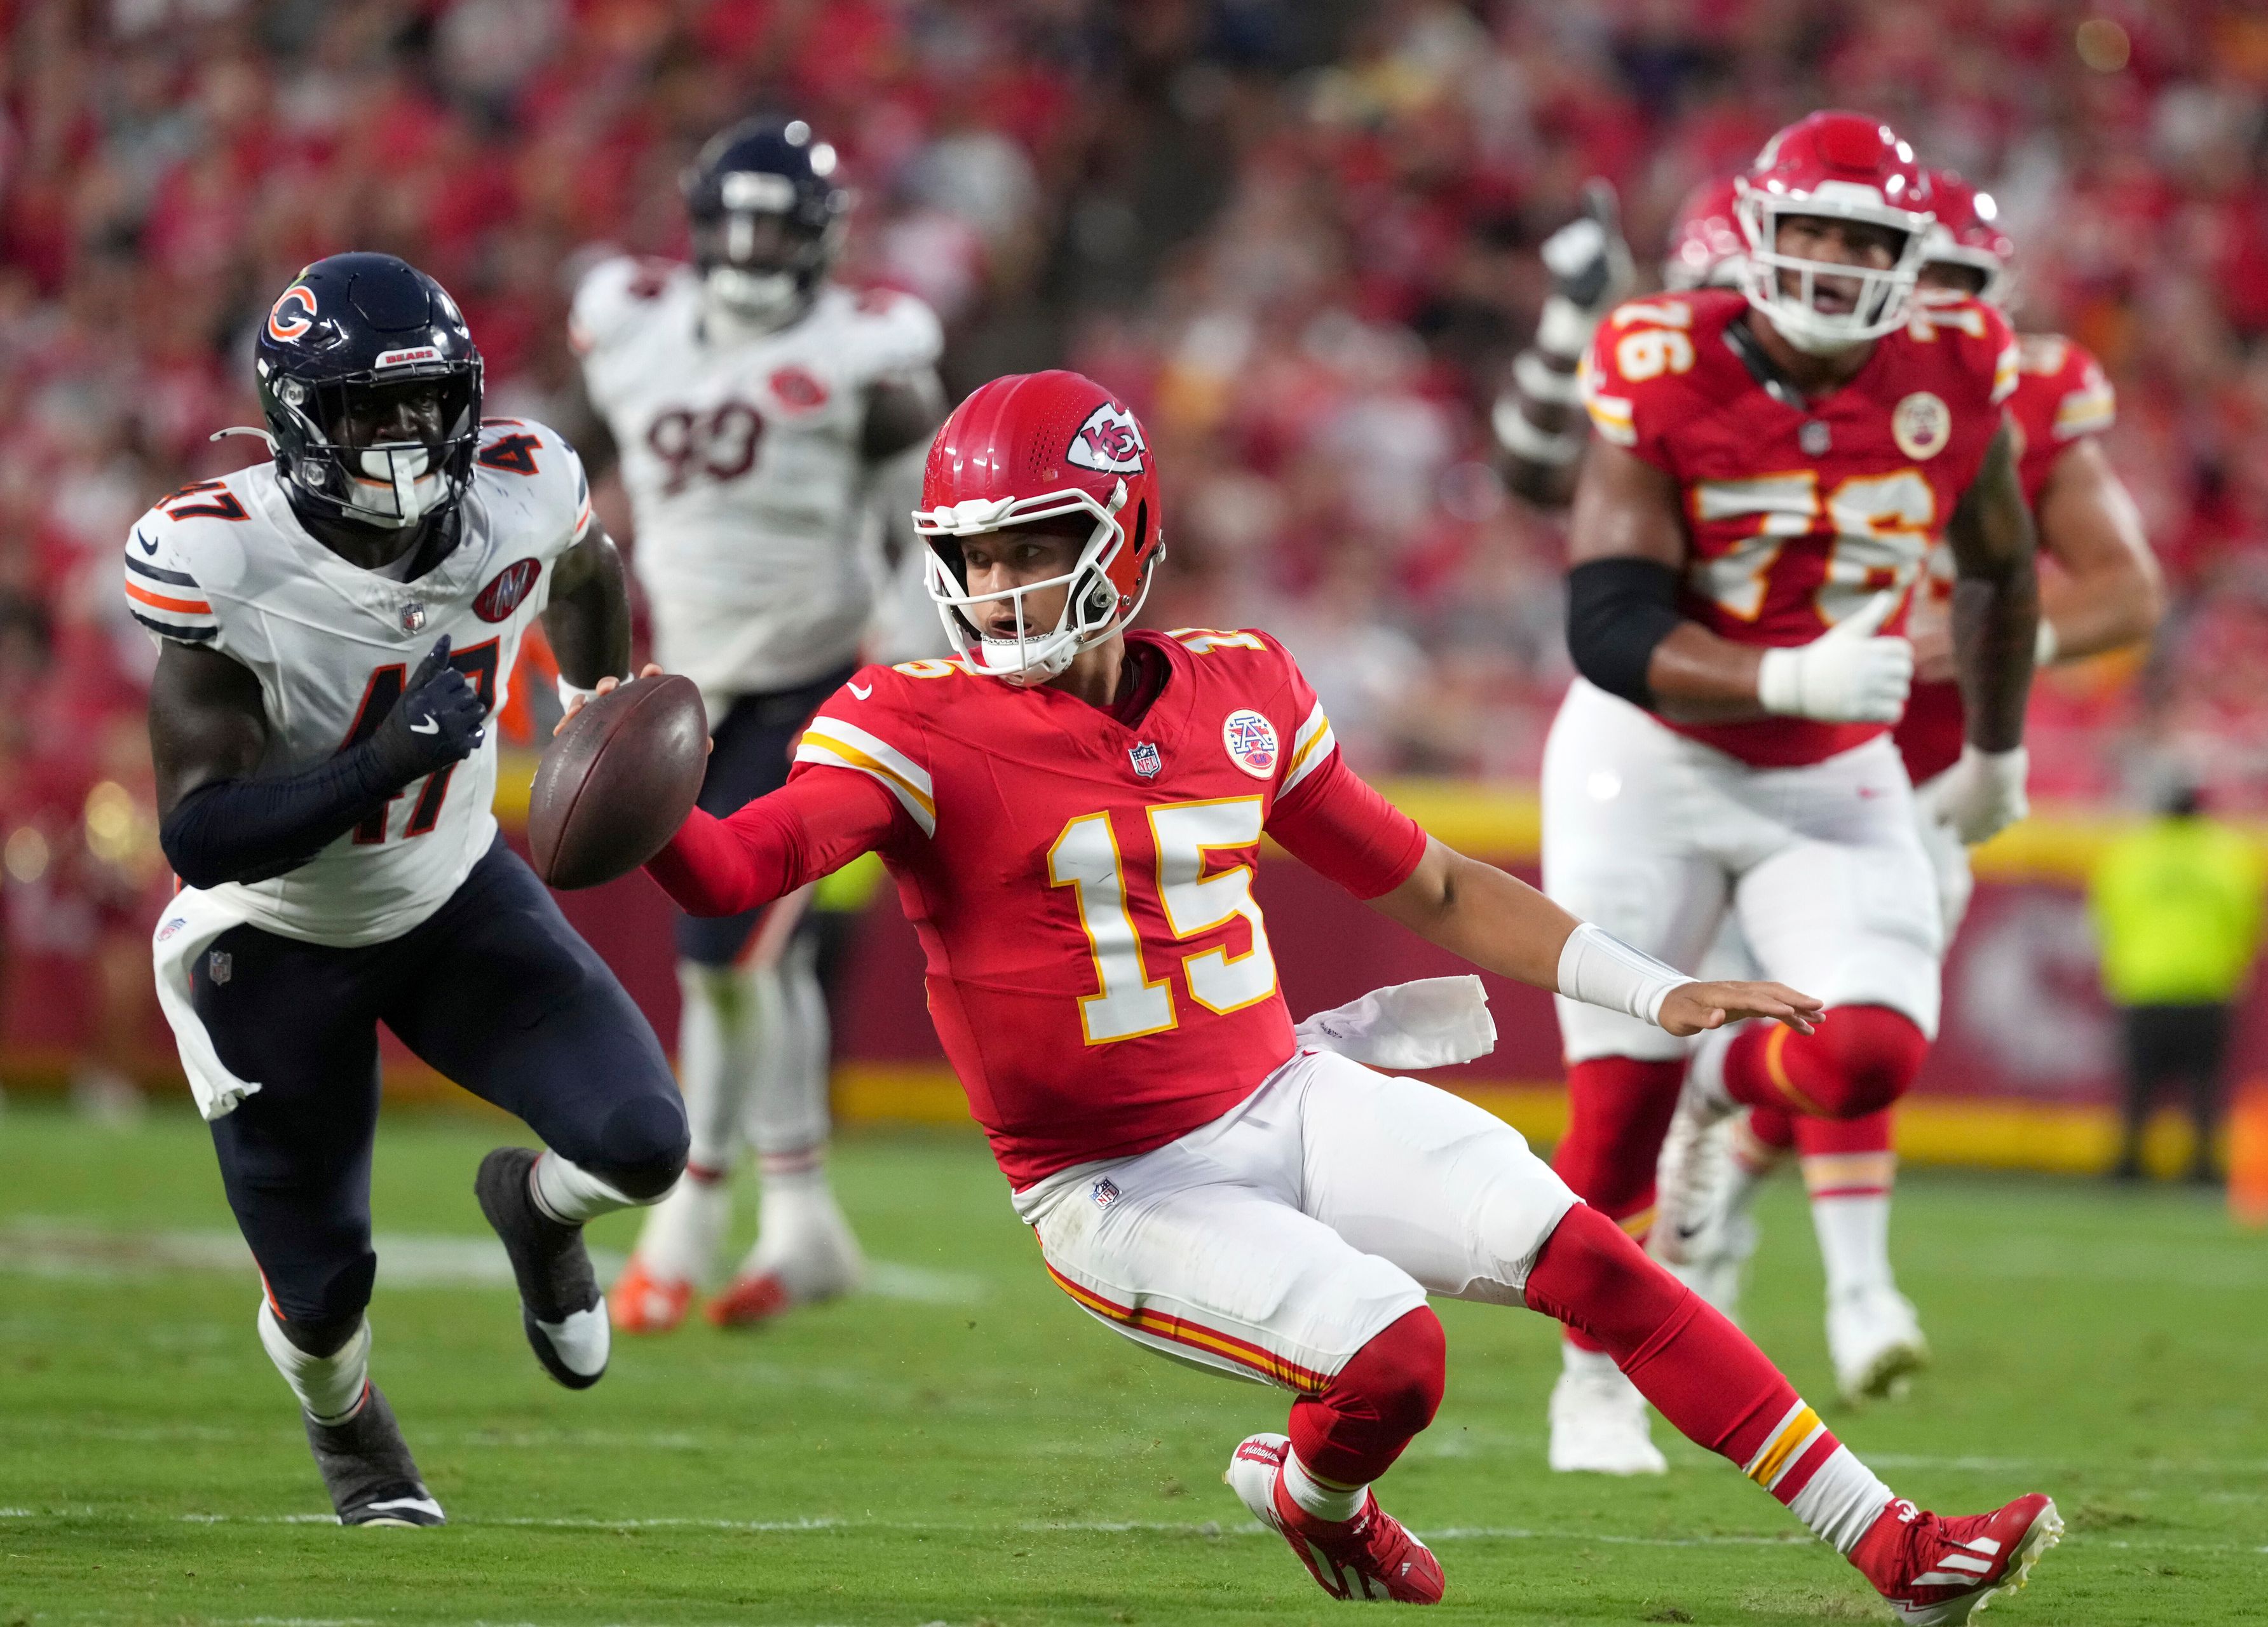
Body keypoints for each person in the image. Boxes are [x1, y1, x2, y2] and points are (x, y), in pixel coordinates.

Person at [611, 366, 2065, 1616]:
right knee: (1395, 1358)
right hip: (1112, 1181)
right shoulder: (909, 716)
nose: (998, 586)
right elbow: (742, 870)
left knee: (1597, 1257)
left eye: (1034, 544)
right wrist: (637, 799)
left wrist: (1653, 986)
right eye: (974, 555)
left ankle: (1893, 1544)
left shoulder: (1236, 683)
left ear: (1121, 533)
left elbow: (1426, 880)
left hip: (1282, 1091)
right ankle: (1316, 1490)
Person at [1493, 112, 2042, 1471]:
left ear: (1913, 258)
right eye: (1813, 230)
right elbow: (1608, 618)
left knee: (1870, 1052)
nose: (1837, 260)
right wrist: (1786, 680)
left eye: (1867, 238)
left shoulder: (1958, 366)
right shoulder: (1660, 355)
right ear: (1759, 231)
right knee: (1613, 1118)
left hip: (1826, 777)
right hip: (1647, 755)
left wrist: (1998, 748)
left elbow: (2003, 563)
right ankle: (1594, 1385)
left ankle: (1727, 1070)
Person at [136, 253, 689, 1527]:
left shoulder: (524, 489)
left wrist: (592, 716)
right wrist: (385, 760)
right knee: (324, 1292)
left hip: (451, 895)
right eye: (364, 412)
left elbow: (590, 575)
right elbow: (202, 835)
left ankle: (539, 1215)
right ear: (294, 420)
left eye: (424, 402)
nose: (401, 438)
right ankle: (351, 1427)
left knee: (645, 1141)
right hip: (272, 942)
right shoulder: (224, 559)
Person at [1674, 168, 2166, 1399]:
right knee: (1804, 1022)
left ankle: (1733, 1174)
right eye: (1921, 277)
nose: (1931, 309)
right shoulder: (1751, 369)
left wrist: (1992, 639)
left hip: (1923, 774)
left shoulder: (2014, 393)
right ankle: (1849, 1282)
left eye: (1959, 286)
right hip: (1752, 757)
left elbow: (2126, 591)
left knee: (1854, 1039)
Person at [570, 116, 944, 1331]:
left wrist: (908, 664)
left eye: (777, 226)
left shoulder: (869, 348)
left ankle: (691, 1212)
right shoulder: (631, 327)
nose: (752, 248)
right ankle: (801, 1220)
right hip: (690, 681)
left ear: (822, 241)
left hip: (819, 673)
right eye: (736, 222)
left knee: (727, 950)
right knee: (747, 964)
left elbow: (918, 511)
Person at [2088, 780, 2268, 1183]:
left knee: (2138, 1086)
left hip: (2144, 984)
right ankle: (2203, 1167)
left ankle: (2129, 1166)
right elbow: (2252, 920)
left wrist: (2125, 961)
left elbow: (2106, 914)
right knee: (2204, 1086)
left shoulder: (2131, 853)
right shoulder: (2229, 854)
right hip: (2207, 985)